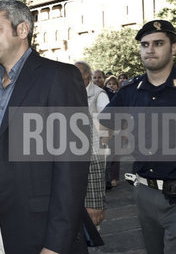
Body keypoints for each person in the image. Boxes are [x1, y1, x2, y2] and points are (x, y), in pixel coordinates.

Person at [0, 0, 101, 254]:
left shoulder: (58, 77)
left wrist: (56, 242)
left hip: (35, 218)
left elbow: (71, 165)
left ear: (22, 30)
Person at [100, 20, 176, 254]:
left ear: (174, 48)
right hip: (145, 195)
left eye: (158, 43)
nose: (150, 49)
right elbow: (102, 127)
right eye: (145, 44)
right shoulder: (130, 91)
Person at [75, 61, 109, 227]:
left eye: (77, 73)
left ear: (86, 75)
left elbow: (108, 122)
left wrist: (103, 142)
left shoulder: (99, 94)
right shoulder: (71, 92)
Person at [102, 75, 121, 188]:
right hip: (107, 128)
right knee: (108, 155)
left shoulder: (120, 95)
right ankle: (108, 179)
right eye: (109, 84)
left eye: (114, 84)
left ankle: (113, 178)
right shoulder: (105, 94)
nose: (111, 86)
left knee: (115, 155)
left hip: (118, 128)